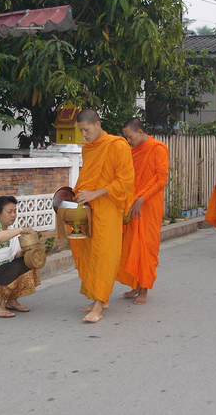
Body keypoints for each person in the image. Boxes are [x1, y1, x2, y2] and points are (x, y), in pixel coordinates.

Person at [72, 109, 135, 323]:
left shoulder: (117, 145)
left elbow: (125, 180)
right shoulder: (88, 149)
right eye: (81, 131)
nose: (84, 135)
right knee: (90, 252)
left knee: (104, 255)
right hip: (89, 209)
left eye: (86, 130)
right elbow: (86, 177)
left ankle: (99, 304)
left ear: (98, 124)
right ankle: (97, 296)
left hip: (108, 209)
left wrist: (96, 193)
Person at [116, 117, 169, 305]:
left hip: (149, 204)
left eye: (130, 137)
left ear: (140, 132)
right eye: (126, 138)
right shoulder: (131, 152)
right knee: (131, 245)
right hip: (132, 203)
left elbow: (161, 180)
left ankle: (144, 289)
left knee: (146, 246)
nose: (128, 141)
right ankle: (135, 285)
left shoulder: (158, 148)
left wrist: (142, 198)